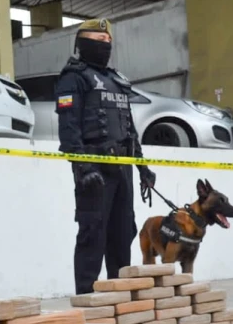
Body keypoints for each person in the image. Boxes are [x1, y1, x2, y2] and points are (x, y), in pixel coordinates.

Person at [54, 18, 157, 294]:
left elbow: (129, 129)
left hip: (123, 169)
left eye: (108, 41)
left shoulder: (117, 80)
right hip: (95, 170)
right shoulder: (73, 78)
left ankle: (119, 297)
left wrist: (142, 167)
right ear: (83, 43)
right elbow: (69, 129)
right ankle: (87, 298)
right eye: (99, 40)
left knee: (123, 233)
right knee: (93, 234)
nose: (105, 45)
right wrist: (83, 167)